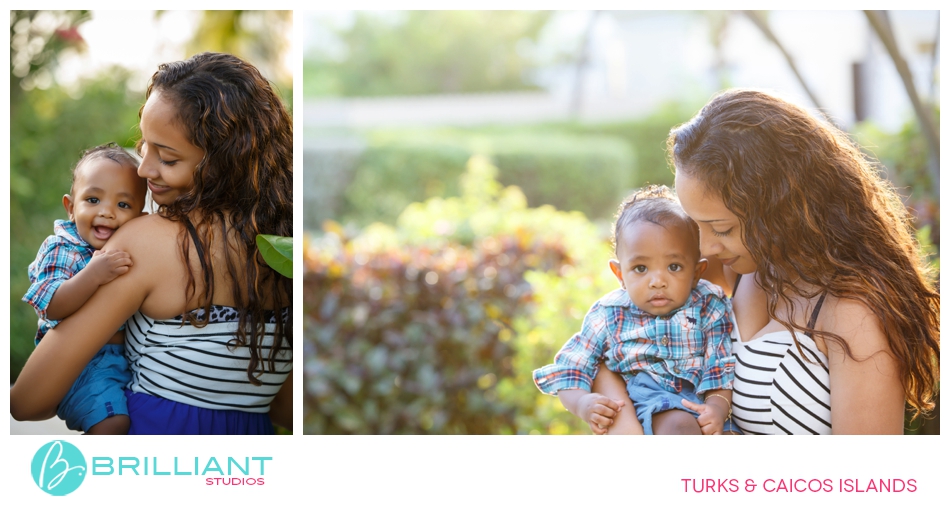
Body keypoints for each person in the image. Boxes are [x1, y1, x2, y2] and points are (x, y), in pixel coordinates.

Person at [596, 88, 939, 434]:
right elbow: (608, 345)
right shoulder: (733, 266)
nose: (704, 246)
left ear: (780, 207)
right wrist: (627, 430)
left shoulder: (854, 313)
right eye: (696, 225)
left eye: (722, 228)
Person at [11, 52, 294, 435]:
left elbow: (27, 401)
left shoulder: (146, 243)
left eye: (168, 159)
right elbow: (285, 410)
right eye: (145, 145)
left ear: (224, 162)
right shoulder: (287, 250)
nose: (143, 169)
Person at [533, 186, 735, 435]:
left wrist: (717, 407)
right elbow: (572, 367)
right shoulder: (609, 313)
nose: (657, 281)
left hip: (702, 401)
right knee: (679, 425)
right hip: (647, 403)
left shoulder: (708, 304)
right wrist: (583, 403)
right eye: (641, 268)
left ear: (696, 273)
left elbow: (719, 364)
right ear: (620, 274)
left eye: (674, 266)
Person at [22, 143, 147, 435]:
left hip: (124, 363)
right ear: (70, 207)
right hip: (81, 365)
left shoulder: (129, 249)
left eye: (123, 205)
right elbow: (51, 305)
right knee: (113, 424)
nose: (107, 212)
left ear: (141, 215)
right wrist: (92, 275)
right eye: (93, 199)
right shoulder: (63, 247)